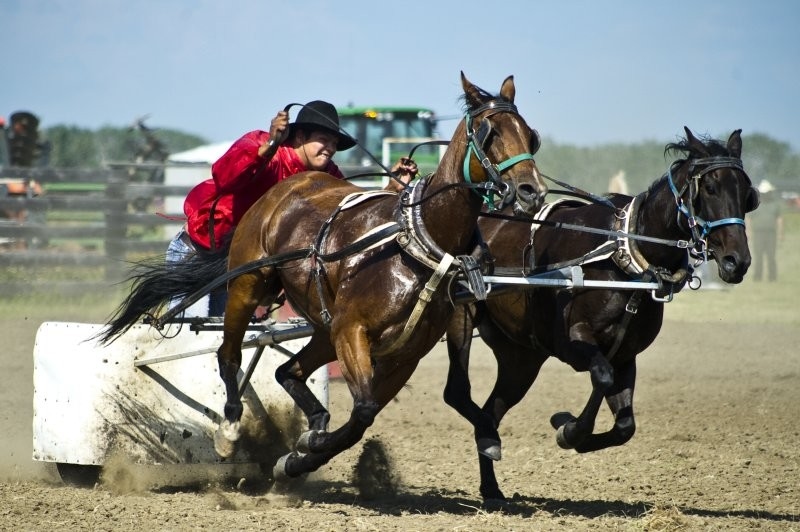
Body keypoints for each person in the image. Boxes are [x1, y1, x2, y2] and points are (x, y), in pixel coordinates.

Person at [168, 100, 418, 316]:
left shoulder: (326, 175)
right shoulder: (265, 147)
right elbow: (224, 176)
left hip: (237, 265)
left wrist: (391, 187)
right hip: (199, 251)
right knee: (186, 334)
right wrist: (269, 146)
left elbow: (349, 211)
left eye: (333, 143)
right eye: (323, 140)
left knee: (217, 339)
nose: (329, 148)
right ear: (299, 137)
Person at [747, 179, 784, 282]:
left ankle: (772, 277)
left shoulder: (775, 204)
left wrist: (781, 233)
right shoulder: (756, 205)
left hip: (771, 234)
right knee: (758, 257)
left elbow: (779, 219)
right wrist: (748, 232)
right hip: (758, 234)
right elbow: (749, 219)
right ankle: (757, 277)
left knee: (771, 256)